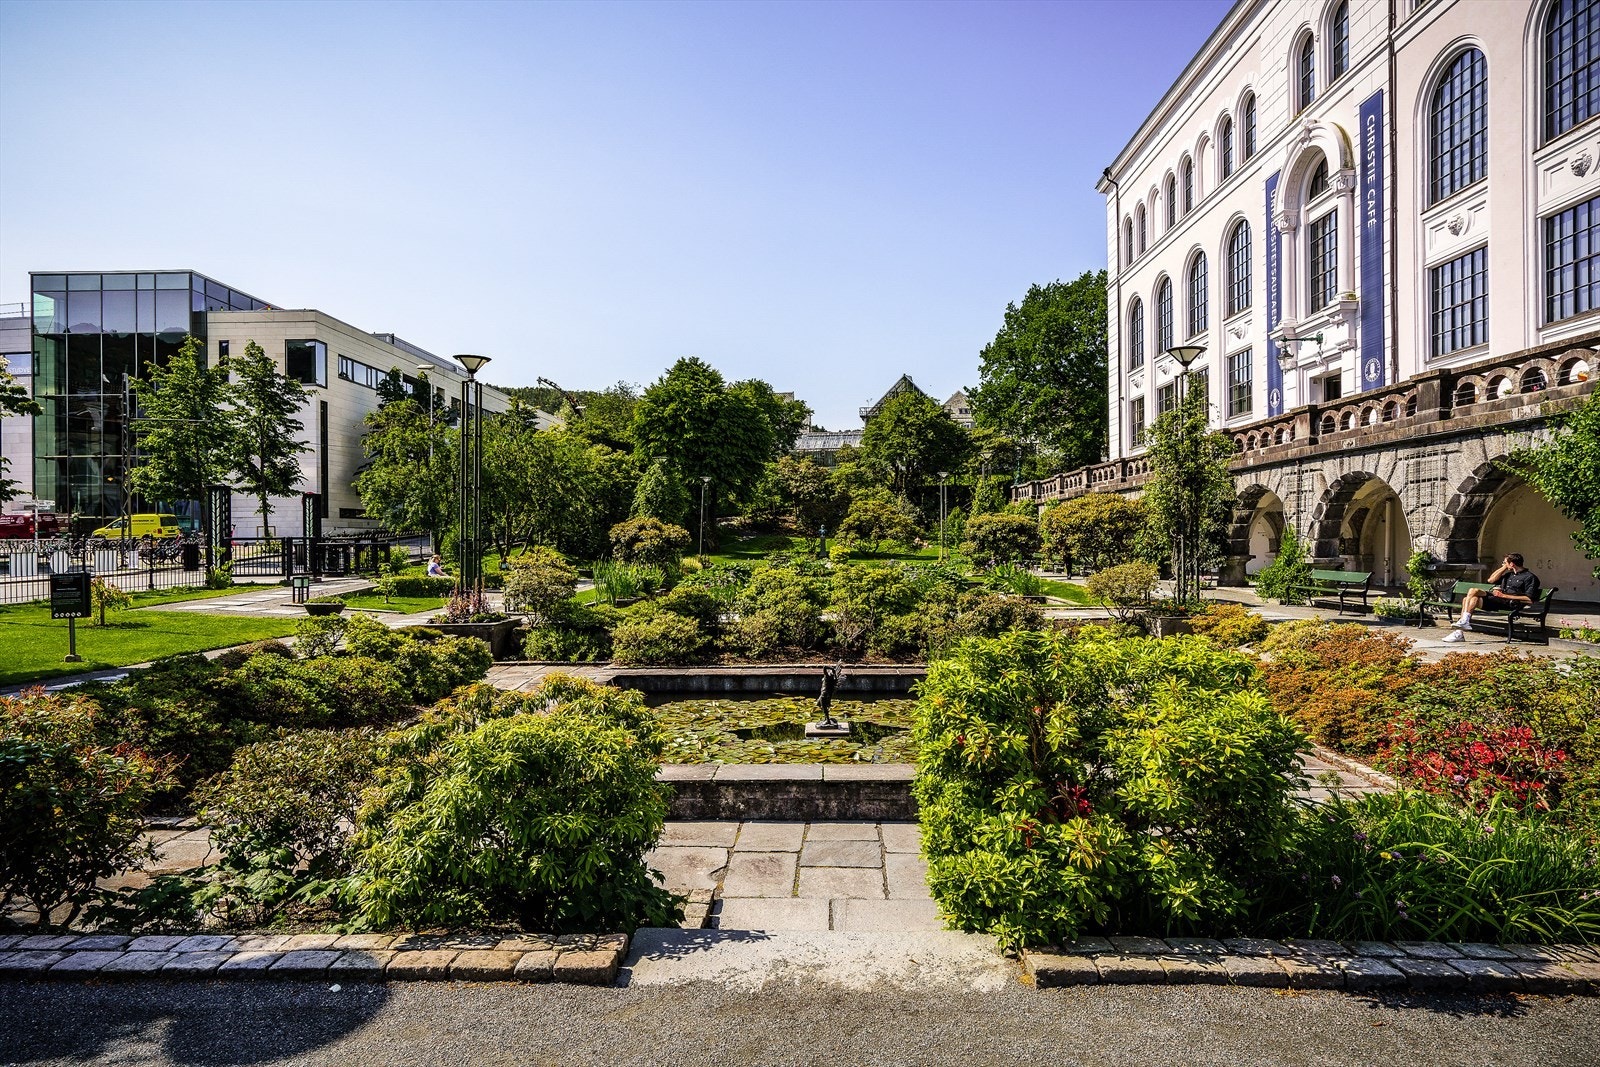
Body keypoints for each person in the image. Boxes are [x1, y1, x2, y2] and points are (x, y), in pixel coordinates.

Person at [1442, 553, 1540, 642]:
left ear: (1512, 564)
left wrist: (1505, 595)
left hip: (1509, 603)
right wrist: (1504, 568)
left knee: (1468, 598)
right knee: (1473, 592)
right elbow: (1491, 580)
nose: (1503, 565)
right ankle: (1463, 624)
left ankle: (1460, 630)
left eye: (1504, 563)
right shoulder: (1509, 575)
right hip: (1498, 599)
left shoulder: (1530, 577)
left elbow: (1529, 599)